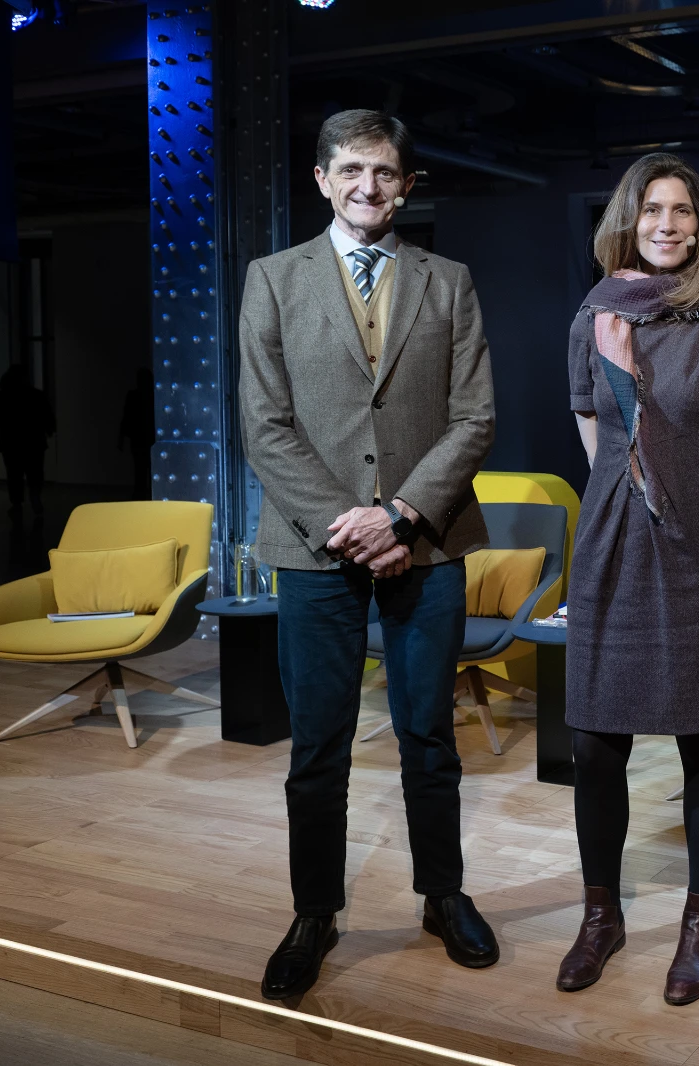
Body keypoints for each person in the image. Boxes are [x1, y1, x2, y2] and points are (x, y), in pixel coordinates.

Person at [239, 109, 498, 1000]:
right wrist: (349, 523)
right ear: (321, 179)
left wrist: (401, 516)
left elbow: (475, 417)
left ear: (407, 185)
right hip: (315, 551)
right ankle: (314, 912)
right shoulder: (273, 280)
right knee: (319, 746)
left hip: (427, 545)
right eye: (350, 170)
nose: (368, 186)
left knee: (430, 736)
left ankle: (443, 895)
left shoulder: (448, 281)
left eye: (385, 172)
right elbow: (265, 426)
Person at [560, 153, 699, 1006]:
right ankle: (599, 915)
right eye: (652, 210)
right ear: (629, 220)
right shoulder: (595, 315)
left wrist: (685, 498)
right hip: (612, 541)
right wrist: (625, 492)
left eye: (683, 210)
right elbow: (590, 421)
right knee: (595, 742)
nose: (667, 224)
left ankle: (698, 922)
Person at [0, 365, 54, 523]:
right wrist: (50, 429)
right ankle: (35, 497)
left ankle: (17, 503)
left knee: (14, 475)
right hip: (34, 442)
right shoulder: (36, 395)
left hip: (10, 443)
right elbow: (47, 415)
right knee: (35, 472)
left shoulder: (0, 397)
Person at [117, 367, 155, 499]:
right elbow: (127, 417)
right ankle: (144, 496)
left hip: (142, 439)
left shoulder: (137, 396)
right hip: (143, 439)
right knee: (142, 470)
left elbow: (126, 417)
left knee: (141, 470)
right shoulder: (149, 396)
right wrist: (121, 438)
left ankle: (142, 496)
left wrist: (121, 438)